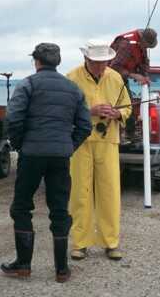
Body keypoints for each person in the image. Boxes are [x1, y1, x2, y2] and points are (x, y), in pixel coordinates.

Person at [0, 43, 92, 283]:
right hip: (60, 156)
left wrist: (21, 145)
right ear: (57, 62)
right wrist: (68, 146)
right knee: (60, 209)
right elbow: (85, 126)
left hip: (32, 154)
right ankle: (61, 270)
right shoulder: (74, 88)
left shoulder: (28, 84)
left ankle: (23, 265)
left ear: (36, 61)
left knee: (21, 207)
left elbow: (13, 117)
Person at [66, 40, 131, 260]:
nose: (102, 67)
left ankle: (111, 243)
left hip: (108, 141)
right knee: (79, 192)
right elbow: (65, 110)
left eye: (104, 62)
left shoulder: (115, 77)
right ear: (86, 59)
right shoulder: (72, 78)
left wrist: (118, 114)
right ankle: (80, 243)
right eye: (97, 63)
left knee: (109, 193)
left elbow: (128, 108)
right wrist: (90, 110)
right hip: (80, 143)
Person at [109, 28, 158, 137]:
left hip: (122, 78)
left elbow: (144, 63)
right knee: (127, 105)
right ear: (142, 41)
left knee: (128, 104)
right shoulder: (126, 45)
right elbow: (114, 67)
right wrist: (133, 75)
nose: (146, 49)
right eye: (146, 46)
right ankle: (127, 134)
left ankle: (129, 134)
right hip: (109, 79)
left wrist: (145, 76)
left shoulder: (141, 45)